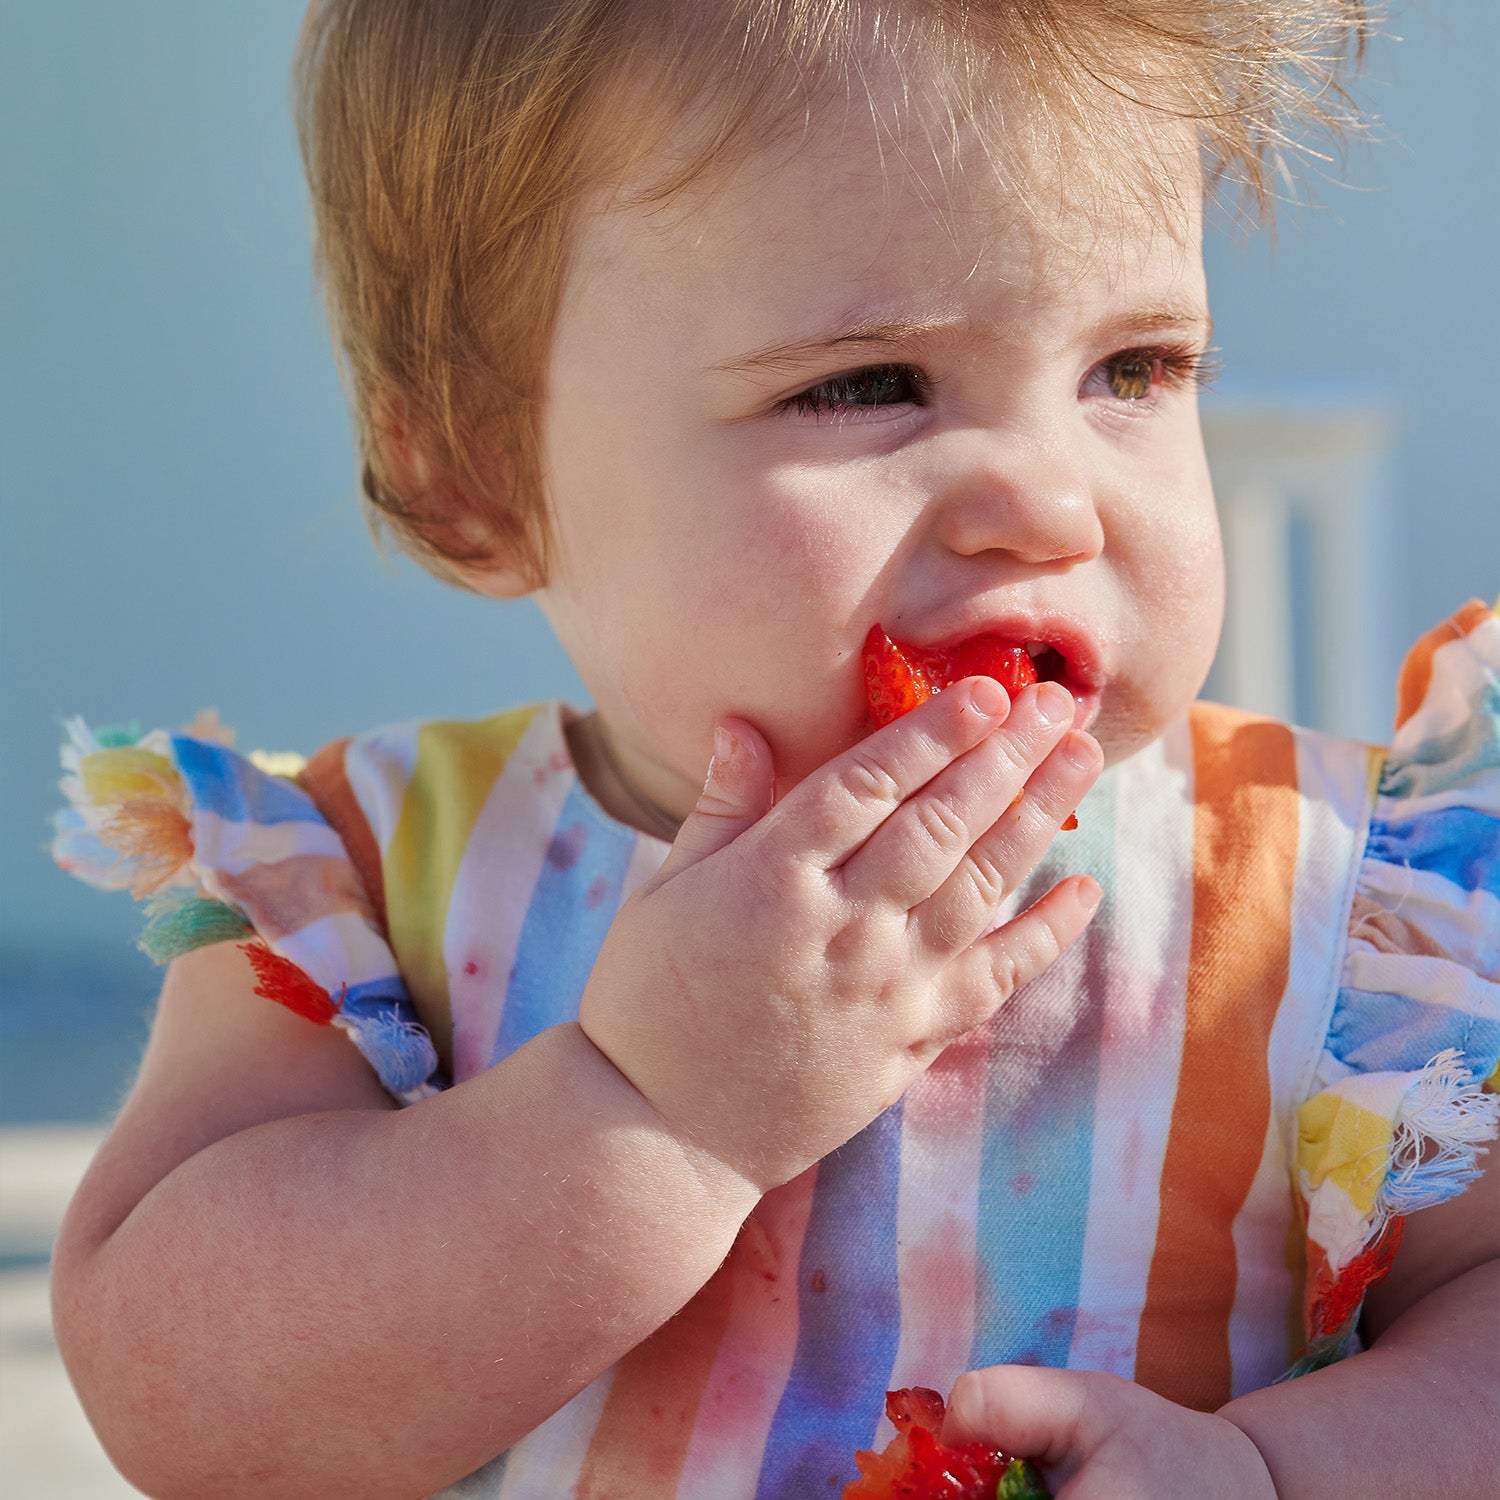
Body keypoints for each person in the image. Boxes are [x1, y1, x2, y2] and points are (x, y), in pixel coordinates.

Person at [48, 2, 1498, 1497]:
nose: (1053, 505)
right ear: (479, 473)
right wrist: (654, 1111)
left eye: (1132, 369)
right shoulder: (366, 890)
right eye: (868, 385)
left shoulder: (1344, 903)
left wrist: (1276, 1472)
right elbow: (195, 1408)